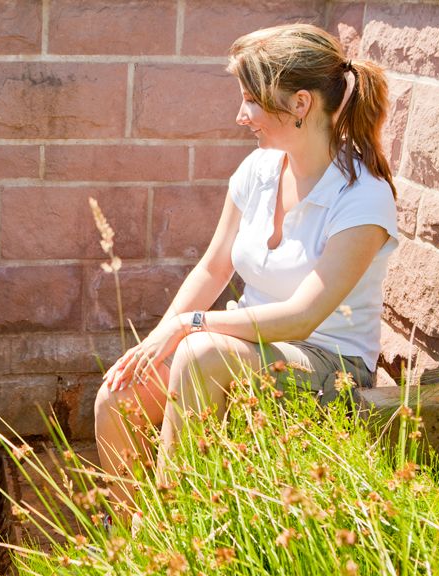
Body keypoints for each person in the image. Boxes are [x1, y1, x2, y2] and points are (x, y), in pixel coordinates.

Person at [94, 24, 399, 508]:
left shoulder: (362, 198)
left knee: (199, 354)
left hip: (328, 363)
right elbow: (214, 269)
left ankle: (175, 537)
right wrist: (156, 339)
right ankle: (135, 541)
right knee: (116, 395)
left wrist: (188, 324)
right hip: (244, 345)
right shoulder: (258, 171)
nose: (241, 116)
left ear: (301, 104)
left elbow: (303, 317)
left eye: (252, 101)